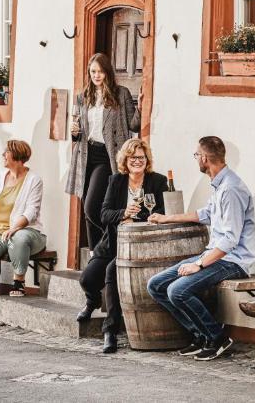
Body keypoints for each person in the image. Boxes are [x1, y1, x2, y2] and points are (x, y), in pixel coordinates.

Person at [146, 136, 255, 361]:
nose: (196, 159)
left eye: (197, 155)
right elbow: (205, 214)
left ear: (205, 158)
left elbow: (230, 240)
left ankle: (217, 337)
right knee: (156, 285)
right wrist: (167, 218)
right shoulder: (219, 185)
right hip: (215, 255)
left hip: (233, 261)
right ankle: (200, 335)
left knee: (177, 291)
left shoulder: (231, 189)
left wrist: (198, 264)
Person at [78, 138, 166, 354]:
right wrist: (124, 213)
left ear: (147, 160)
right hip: (112, 244)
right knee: (87, 278)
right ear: (125, 160)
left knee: (112, 272)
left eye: (141, 157)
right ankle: (92, 301)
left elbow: (162, 212)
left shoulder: (158, 181)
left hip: (137, 246)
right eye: (133, 157)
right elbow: (104, 213)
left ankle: (110, 331)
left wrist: (145, 217)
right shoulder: (116, 181)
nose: (138, 161)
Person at [65, 52, 142, 256]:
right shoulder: (83, 97)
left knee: (91, 207)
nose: (96, 75)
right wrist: (74, 133)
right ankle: (94, 254)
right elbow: (79, 131)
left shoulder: (121, 94)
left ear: (107, 72)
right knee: (87, 207)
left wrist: (141, 107)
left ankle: (109, 244)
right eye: (93, 72)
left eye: (100, 71)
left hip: (106, 156)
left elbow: (134, 125)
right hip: (84, 154)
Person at [0, 140, 46, 321]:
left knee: (18, 238)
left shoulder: (34, 180)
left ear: (17, 156)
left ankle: (18, 281)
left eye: (6, 152)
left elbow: (31, 212)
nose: (3, 155)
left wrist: (13, 228)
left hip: (28, 231)